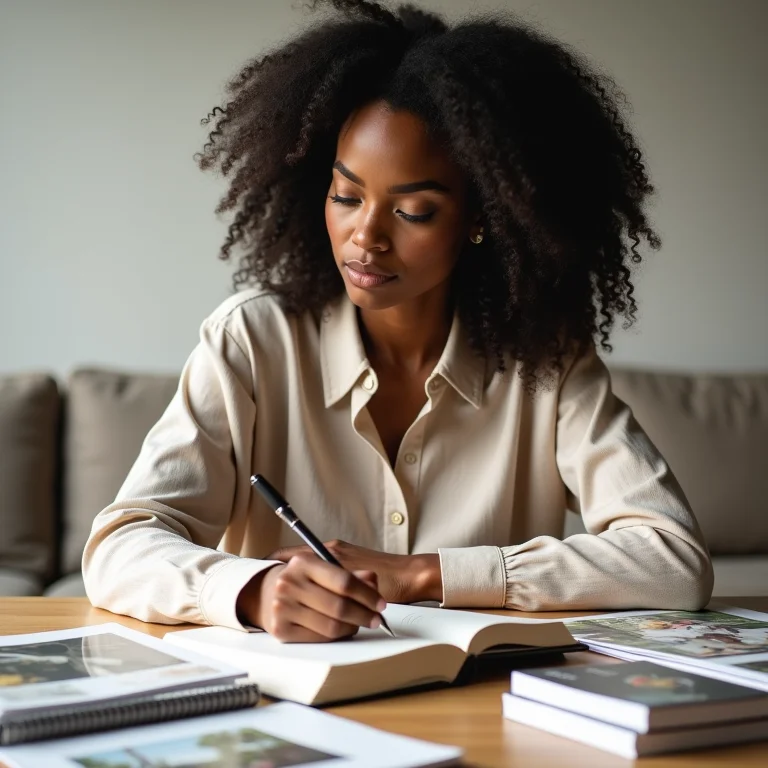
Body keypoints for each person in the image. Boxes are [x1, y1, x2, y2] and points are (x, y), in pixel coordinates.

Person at [82, 0, 713, 643]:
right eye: (346, 196)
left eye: (413, 211)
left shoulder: (545, 361)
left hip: (482, 708)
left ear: (482, 219)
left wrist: (420, 574)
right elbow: (120, 544)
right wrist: (252, 590)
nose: (366, 237)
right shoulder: (252, 341)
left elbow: (673, 561)